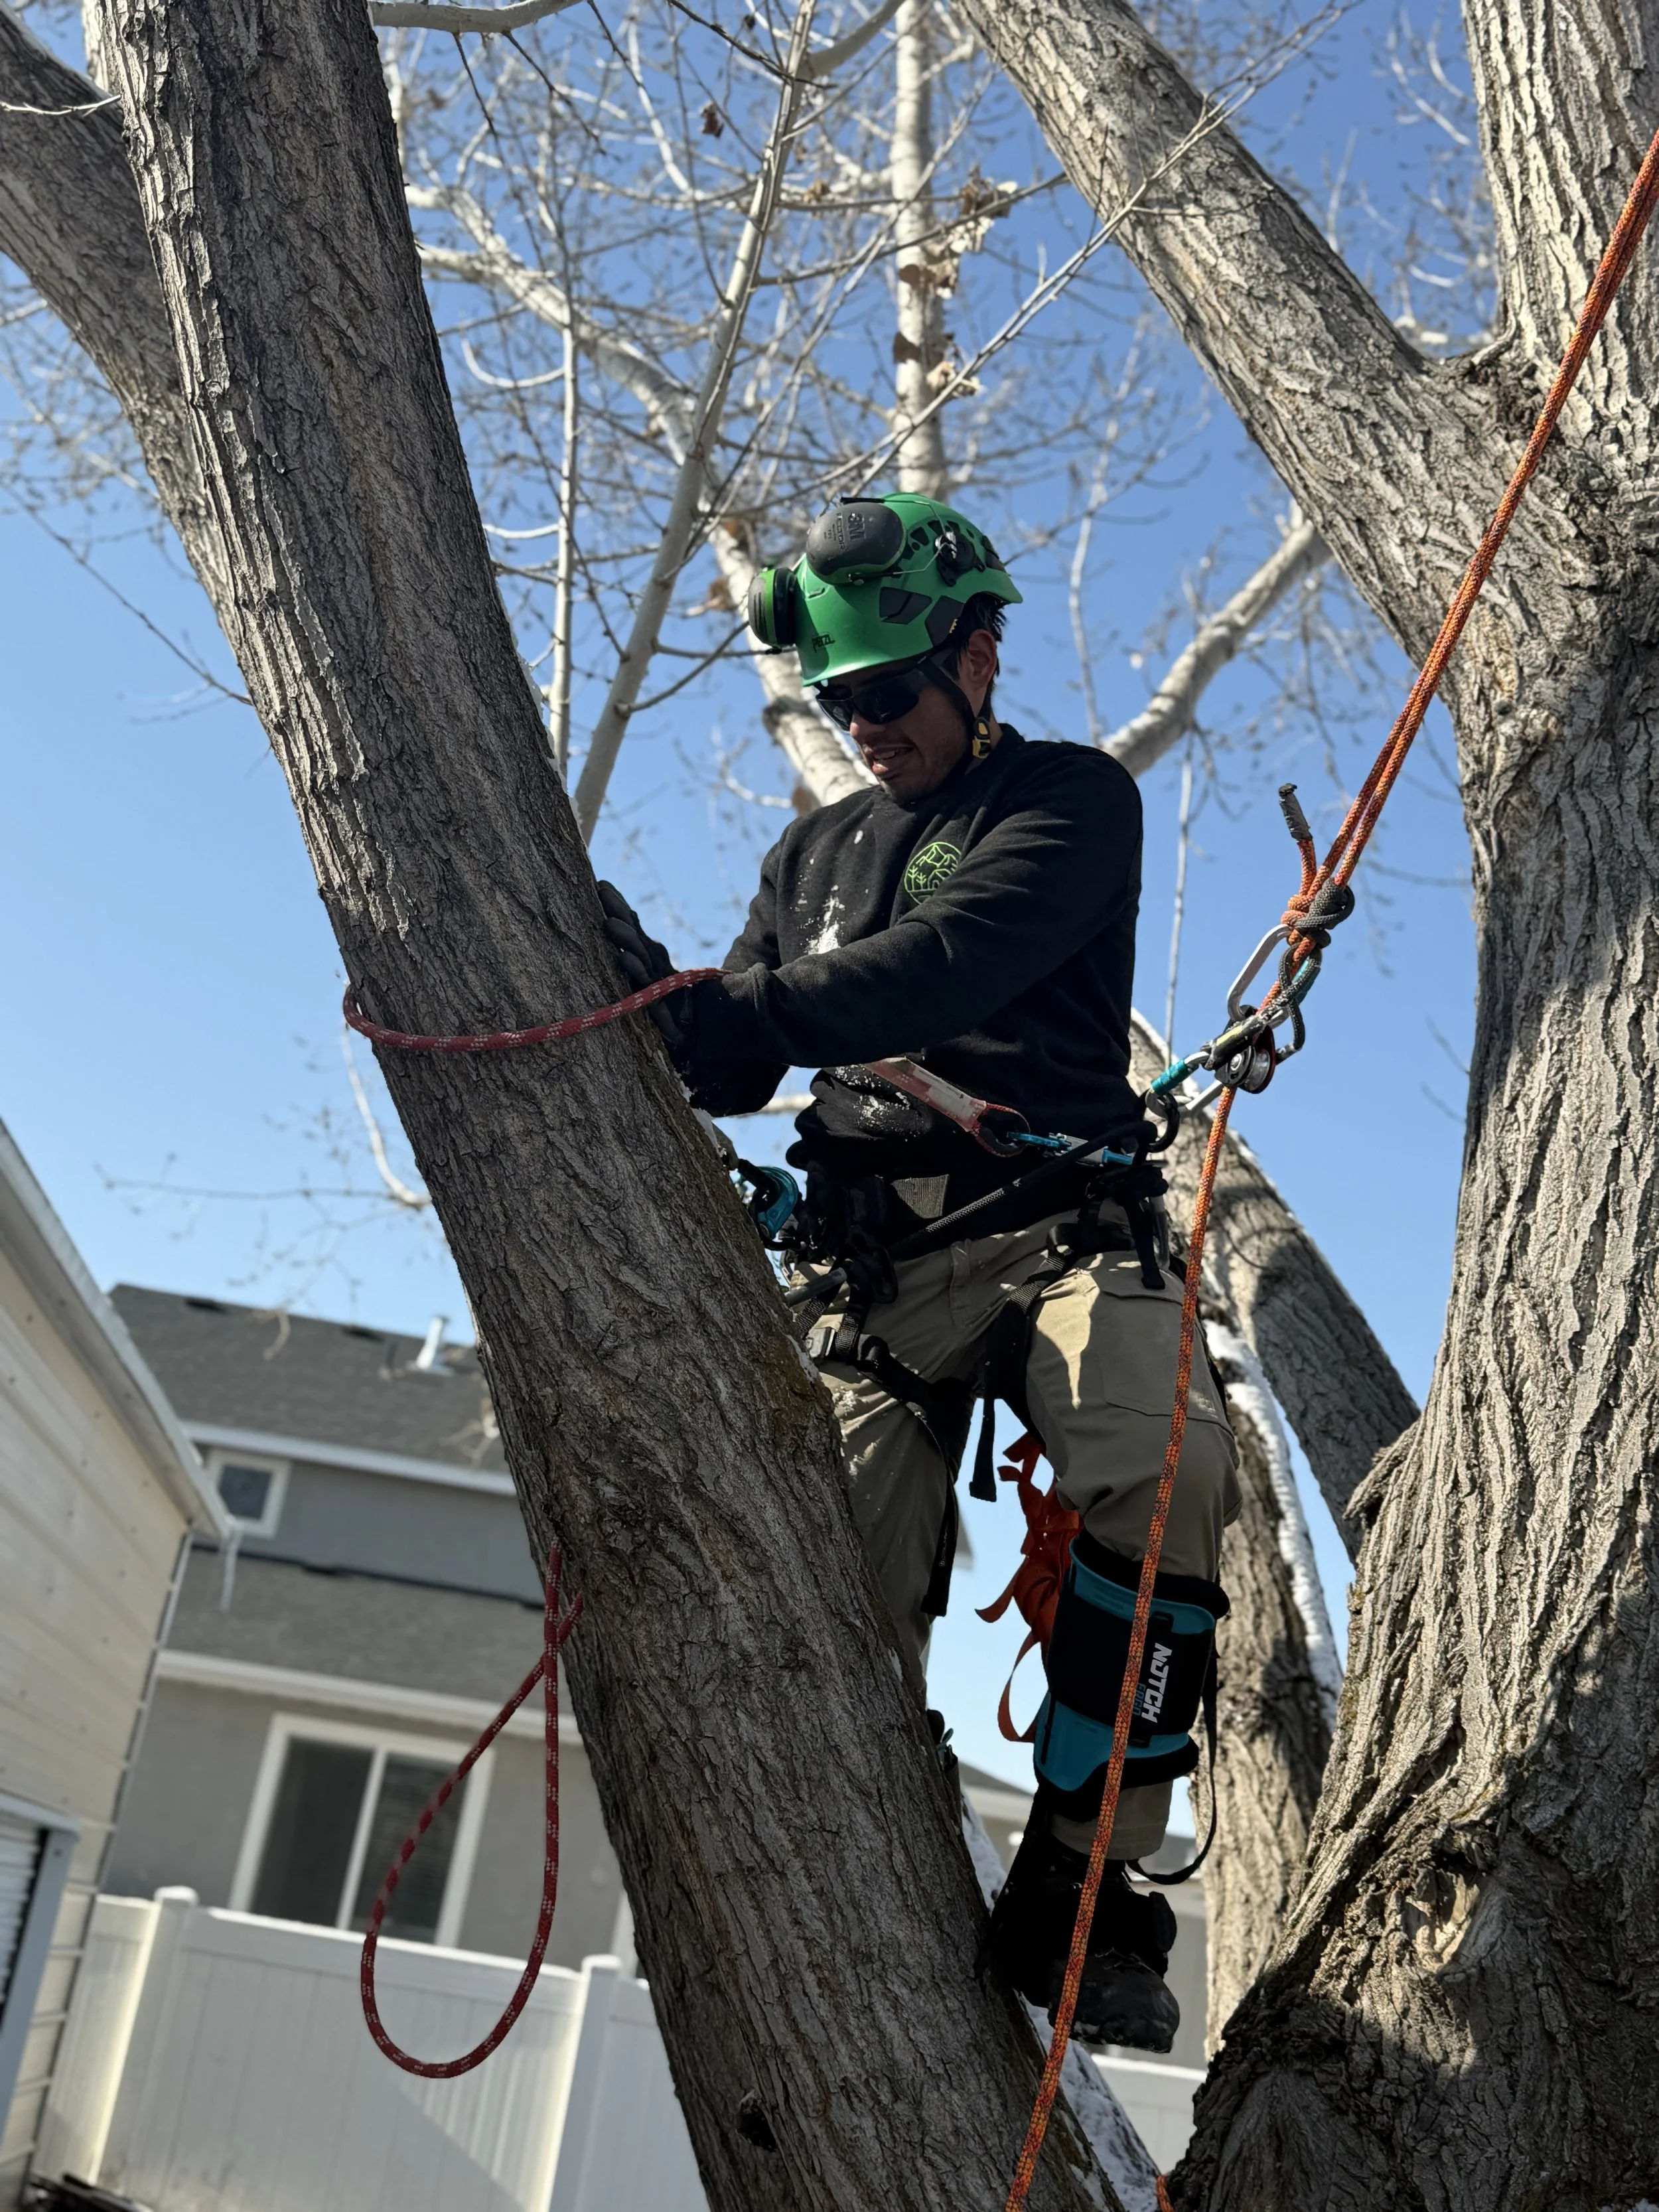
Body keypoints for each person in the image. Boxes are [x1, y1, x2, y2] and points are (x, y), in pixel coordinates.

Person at [599, 491, 1240, 2053]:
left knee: (1164, 1467)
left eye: (887, 691)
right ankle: (845, 1889)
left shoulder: (1068, 803)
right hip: (866, 1271)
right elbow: (742, 1069)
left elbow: (948, 963)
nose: (864, 724)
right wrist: (643, 993)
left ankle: (1083, 1890)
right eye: (840, 700)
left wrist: (730, 1014)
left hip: (1051, 1235)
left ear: (975, 652)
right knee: (828, 1588)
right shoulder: (810, 851)